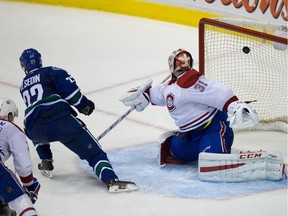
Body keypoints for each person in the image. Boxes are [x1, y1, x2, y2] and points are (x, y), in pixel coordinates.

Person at [19, 48, 137, 192]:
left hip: (35, 129)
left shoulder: (23, 86)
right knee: (95, 153)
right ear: (40, 60)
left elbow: (38, 110)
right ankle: (111, 180)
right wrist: (84, 105)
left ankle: (46, 161)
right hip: (61, 122)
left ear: (24, 66)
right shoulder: (50, 71)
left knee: (32, 123)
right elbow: (70, 91)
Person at [120, 48, 260, 167]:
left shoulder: (193, 82)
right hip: (190, 135)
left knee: (214, 161)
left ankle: (218, 150)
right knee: (177, 152)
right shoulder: (169, 87)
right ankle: (176, 141)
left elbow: (217, 91)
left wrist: (234, 105)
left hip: (213, 129)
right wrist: (144, 94)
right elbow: (155, 94)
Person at [0, 97, 40, 216]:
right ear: (10, 114)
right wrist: (29, 185)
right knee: (21, 200)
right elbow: (23, 164)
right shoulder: (10, 127)